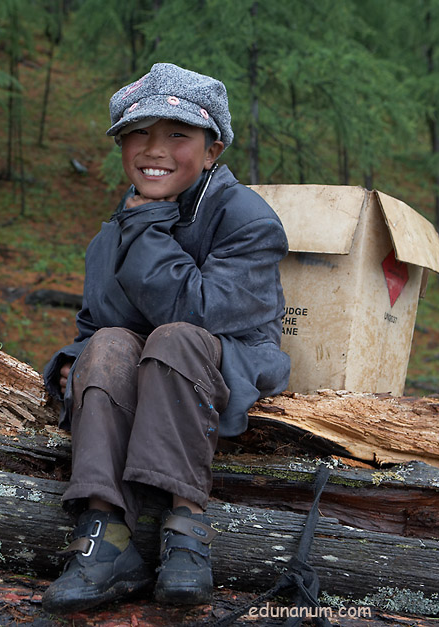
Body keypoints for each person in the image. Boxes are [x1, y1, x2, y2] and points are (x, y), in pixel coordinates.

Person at [40, 62, 290, 614]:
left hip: (231, 364)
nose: (154, 149)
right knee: (105, 345)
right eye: (138, 134)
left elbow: (196, 311)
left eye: (177, 134)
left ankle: (185, 523)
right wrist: (78, 360)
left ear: (212, 149)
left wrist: (148, 225)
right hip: (151, 369)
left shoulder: (245, 218)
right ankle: (107, 536)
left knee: (176, 337)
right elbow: (98, 325)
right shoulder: (111, 236)